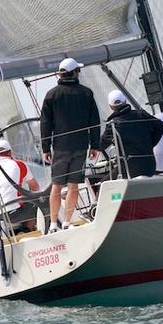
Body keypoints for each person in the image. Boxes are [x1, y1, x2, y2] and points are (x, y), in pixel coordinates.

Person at [40, 57, 100, 233]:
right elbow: (94, 121)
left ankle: (52, 224)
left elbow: (46, 123)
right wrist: (95, 145)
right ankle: (66, 222)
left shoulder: (51, 94)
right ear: (75, 72)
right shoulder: (86, 93)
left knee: (57, 185)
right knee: (74, 185)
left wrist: (45, 147)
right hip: (81, 146)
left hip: (59, 147)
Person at [99, 90, 163, 178]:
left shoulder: (114, 124)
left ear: (111, 107)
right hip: (149, 166)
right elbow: (161, 126)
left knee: (104, 183)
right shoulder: (142, 114)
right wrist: (151, 143)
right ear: (125, 101)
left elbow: (100, 145)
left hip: (129, 169)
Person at [0, 139, 41, 234]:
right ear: (9, 152)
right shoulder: (19, 165)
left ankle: (16, 232)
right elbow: (35, 188)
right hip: (14, 214)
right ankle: (26, 231)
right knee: (37, 202)